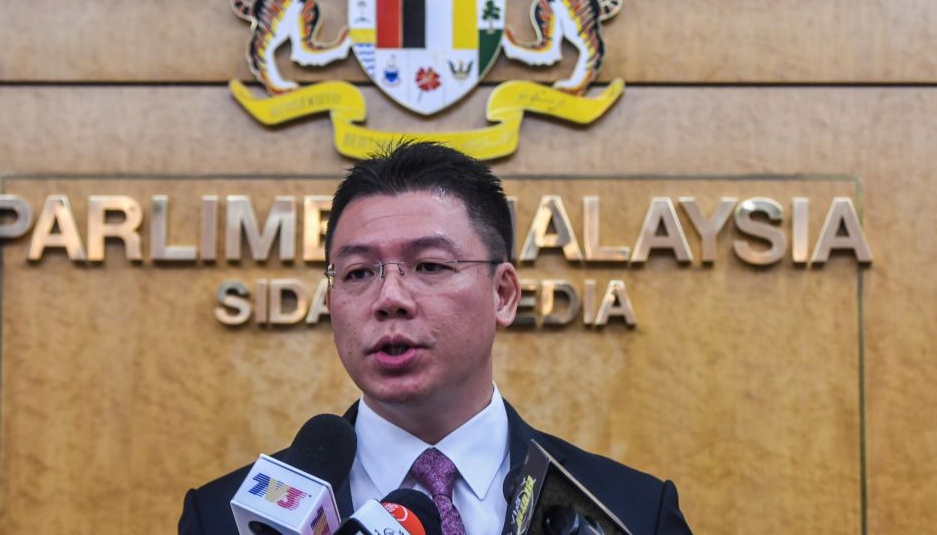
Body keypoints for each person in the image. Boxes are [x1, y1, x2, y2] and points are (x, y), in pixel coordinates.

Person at [179, 141, 691, 534]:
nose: (390, 298)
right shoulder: (227, 519)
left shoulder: (631, 511)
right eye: (358, 273)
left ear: (503, 294)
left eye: (429, 265)